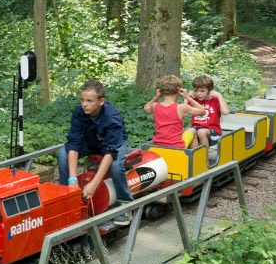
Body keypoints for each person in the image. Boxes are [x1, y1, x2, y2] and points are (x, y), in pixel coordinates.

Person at [58, 79, 134, 226]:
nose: (84, 104)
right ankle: (65, 197)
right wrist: (72, 179)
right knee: (62, 153)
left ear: (101, 101)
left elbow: (110, 153)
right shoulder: (79, 113)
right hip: (91, 142)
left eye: (89, 101)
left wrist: (94, 184)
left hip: (113, 145)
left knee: (116, 166)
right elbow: (73, 143)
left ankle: (125, 204)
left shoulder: (112, 117)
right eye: (82, 100)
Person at [143, 75, 207, 148]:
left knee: (184, 130)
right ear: (178, 90)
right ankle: (194, 158)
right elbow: (203, 111)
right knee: (192, 130)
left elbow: (146, 109)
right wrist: (187, 97)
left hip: (158, 144)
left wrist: (156, 97)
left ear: (161, 91)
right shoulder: (182, 107)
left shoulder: (155, 106)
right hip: (177, 146)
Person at [189, 75, 230, 149]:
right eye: (196, 91)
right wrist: (187, 98)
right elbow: (183, 113)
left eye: (202, 91)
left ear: (210, 91)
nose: (199, 93)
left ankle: (204, 158)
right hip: (196, 129)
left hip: (213, 133)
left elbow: (225, 112)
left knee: (201, 132)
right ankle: (194, 158)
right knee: (190, 131)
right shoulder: (194, 101)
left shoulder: (214, 100)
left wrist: (219, 96)